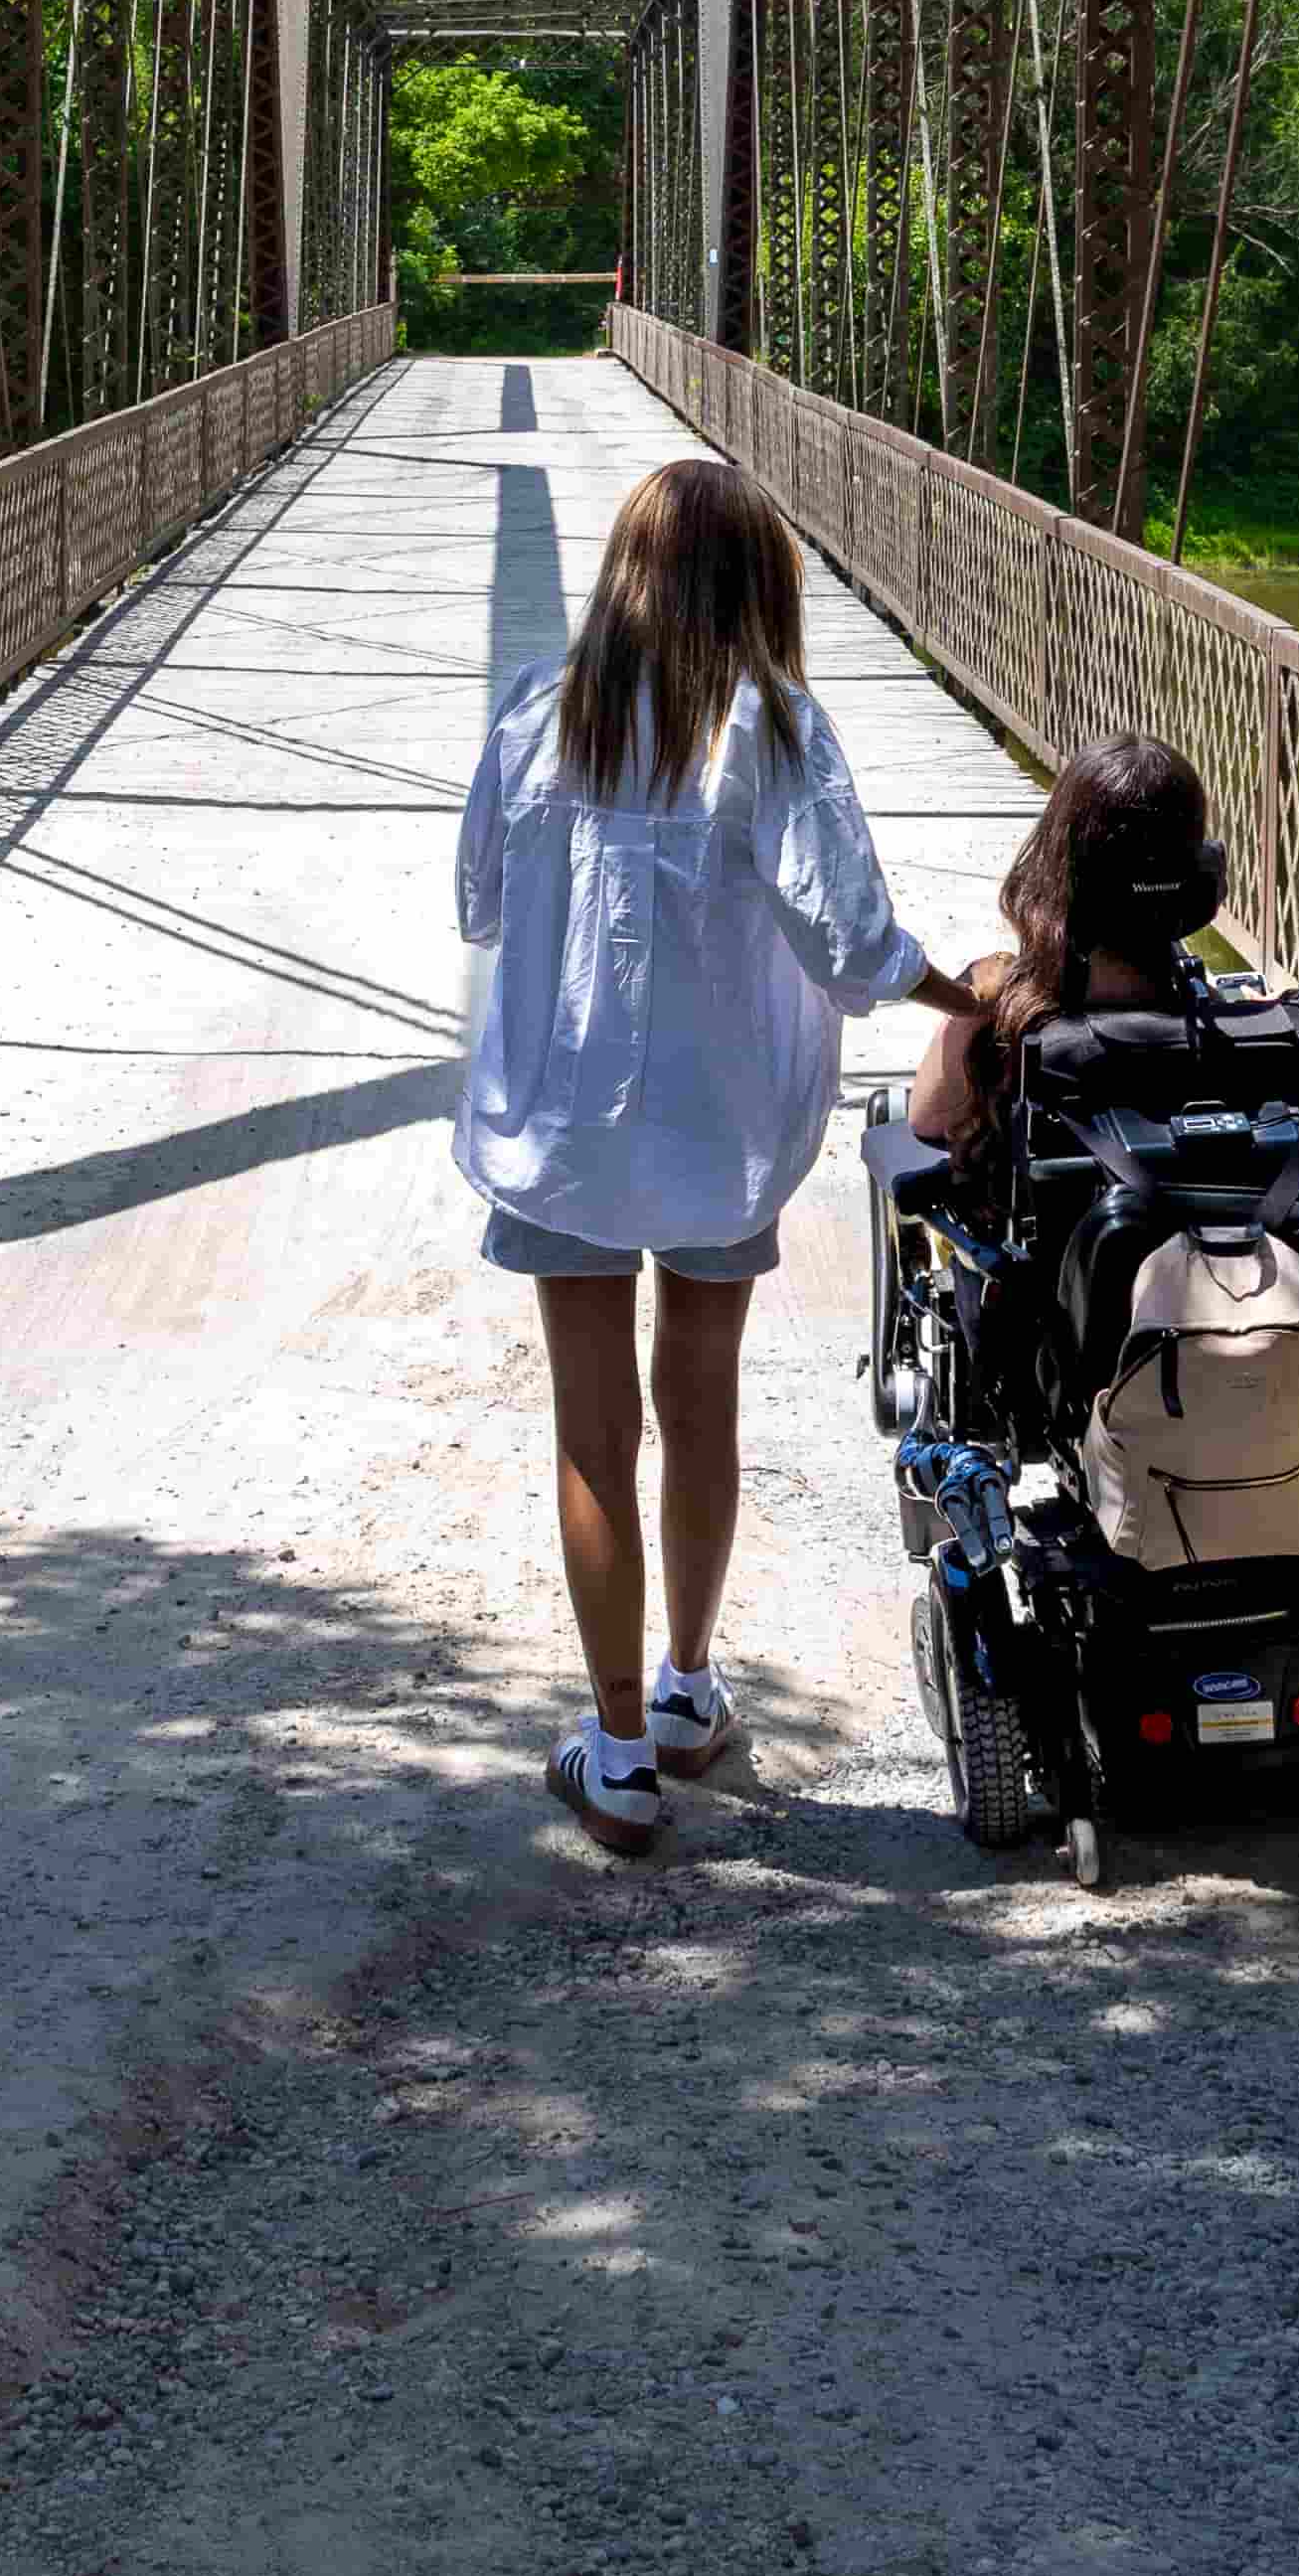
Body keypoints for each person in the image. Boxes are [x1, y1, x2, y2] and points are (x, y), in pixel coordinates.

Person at [455, 455, 967, 1857]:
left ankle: (613, 1752)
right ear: (759, 582)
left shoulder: (530, 715)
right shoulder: (777, 730)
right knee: (701, 1406)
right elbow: (850, 944)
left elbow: (480, 905)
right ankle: (687, 1692)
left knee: (592, 1434)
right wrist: (973, 1001)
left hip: (561, 1128)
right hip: (718, 1128)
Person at [903, 737, 1225, 1182]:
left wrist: (976, 1003)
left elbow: (926, 1118)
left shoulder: (1009, 1013)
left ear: (1060, 865)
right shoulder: (1221, 1019)